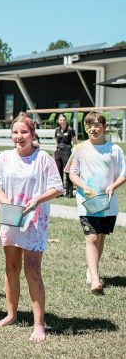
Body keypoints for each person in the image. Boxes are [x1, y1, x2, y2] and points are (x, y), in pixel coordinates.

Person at [0, 115, 64, 342]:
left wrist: (36, 201)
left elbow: (57, 187)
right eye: (15, 132)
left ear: (33, 134)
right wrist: (7, 204)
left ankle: (39, 324)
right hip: (12, 218)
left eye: (24, 132)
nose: (18, 137)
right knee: (11, 267)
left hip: (34, 220)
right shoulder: (3, 158)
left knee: (32, 269)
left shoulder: (43, 158)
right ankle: (11, 314)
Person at [68, 112, 126, 294]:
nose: (93, 129)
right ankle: (95, 279)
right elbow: (72, 173)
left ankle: (91, 269)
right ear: (85, 128)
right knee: (91, 237)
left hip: (108, 202)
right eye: (89, 125)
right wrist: (84, 187)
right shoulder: (79, 149)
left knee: (100, 237)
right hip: (87, 201)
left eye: (97, 125)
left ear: (104, 127)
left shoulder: (114, 149)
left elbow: (124, 173)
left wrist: (113, 186)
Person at [54, 113, 77, 198]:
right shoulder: (57, 130)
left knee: (67, 173)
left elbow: (75, 142)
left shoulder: (70, 130)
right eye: (60, 120)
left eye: (63, 120)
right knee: (58, 173)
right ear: (58, 121)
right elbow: (56, 141)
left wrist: (75, 153)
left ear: (66, 120)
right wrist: (56, 150)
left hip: (67, 152)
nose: (62, 121)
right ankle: (59, 192)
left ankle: (69, 192)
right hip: (58, 152)